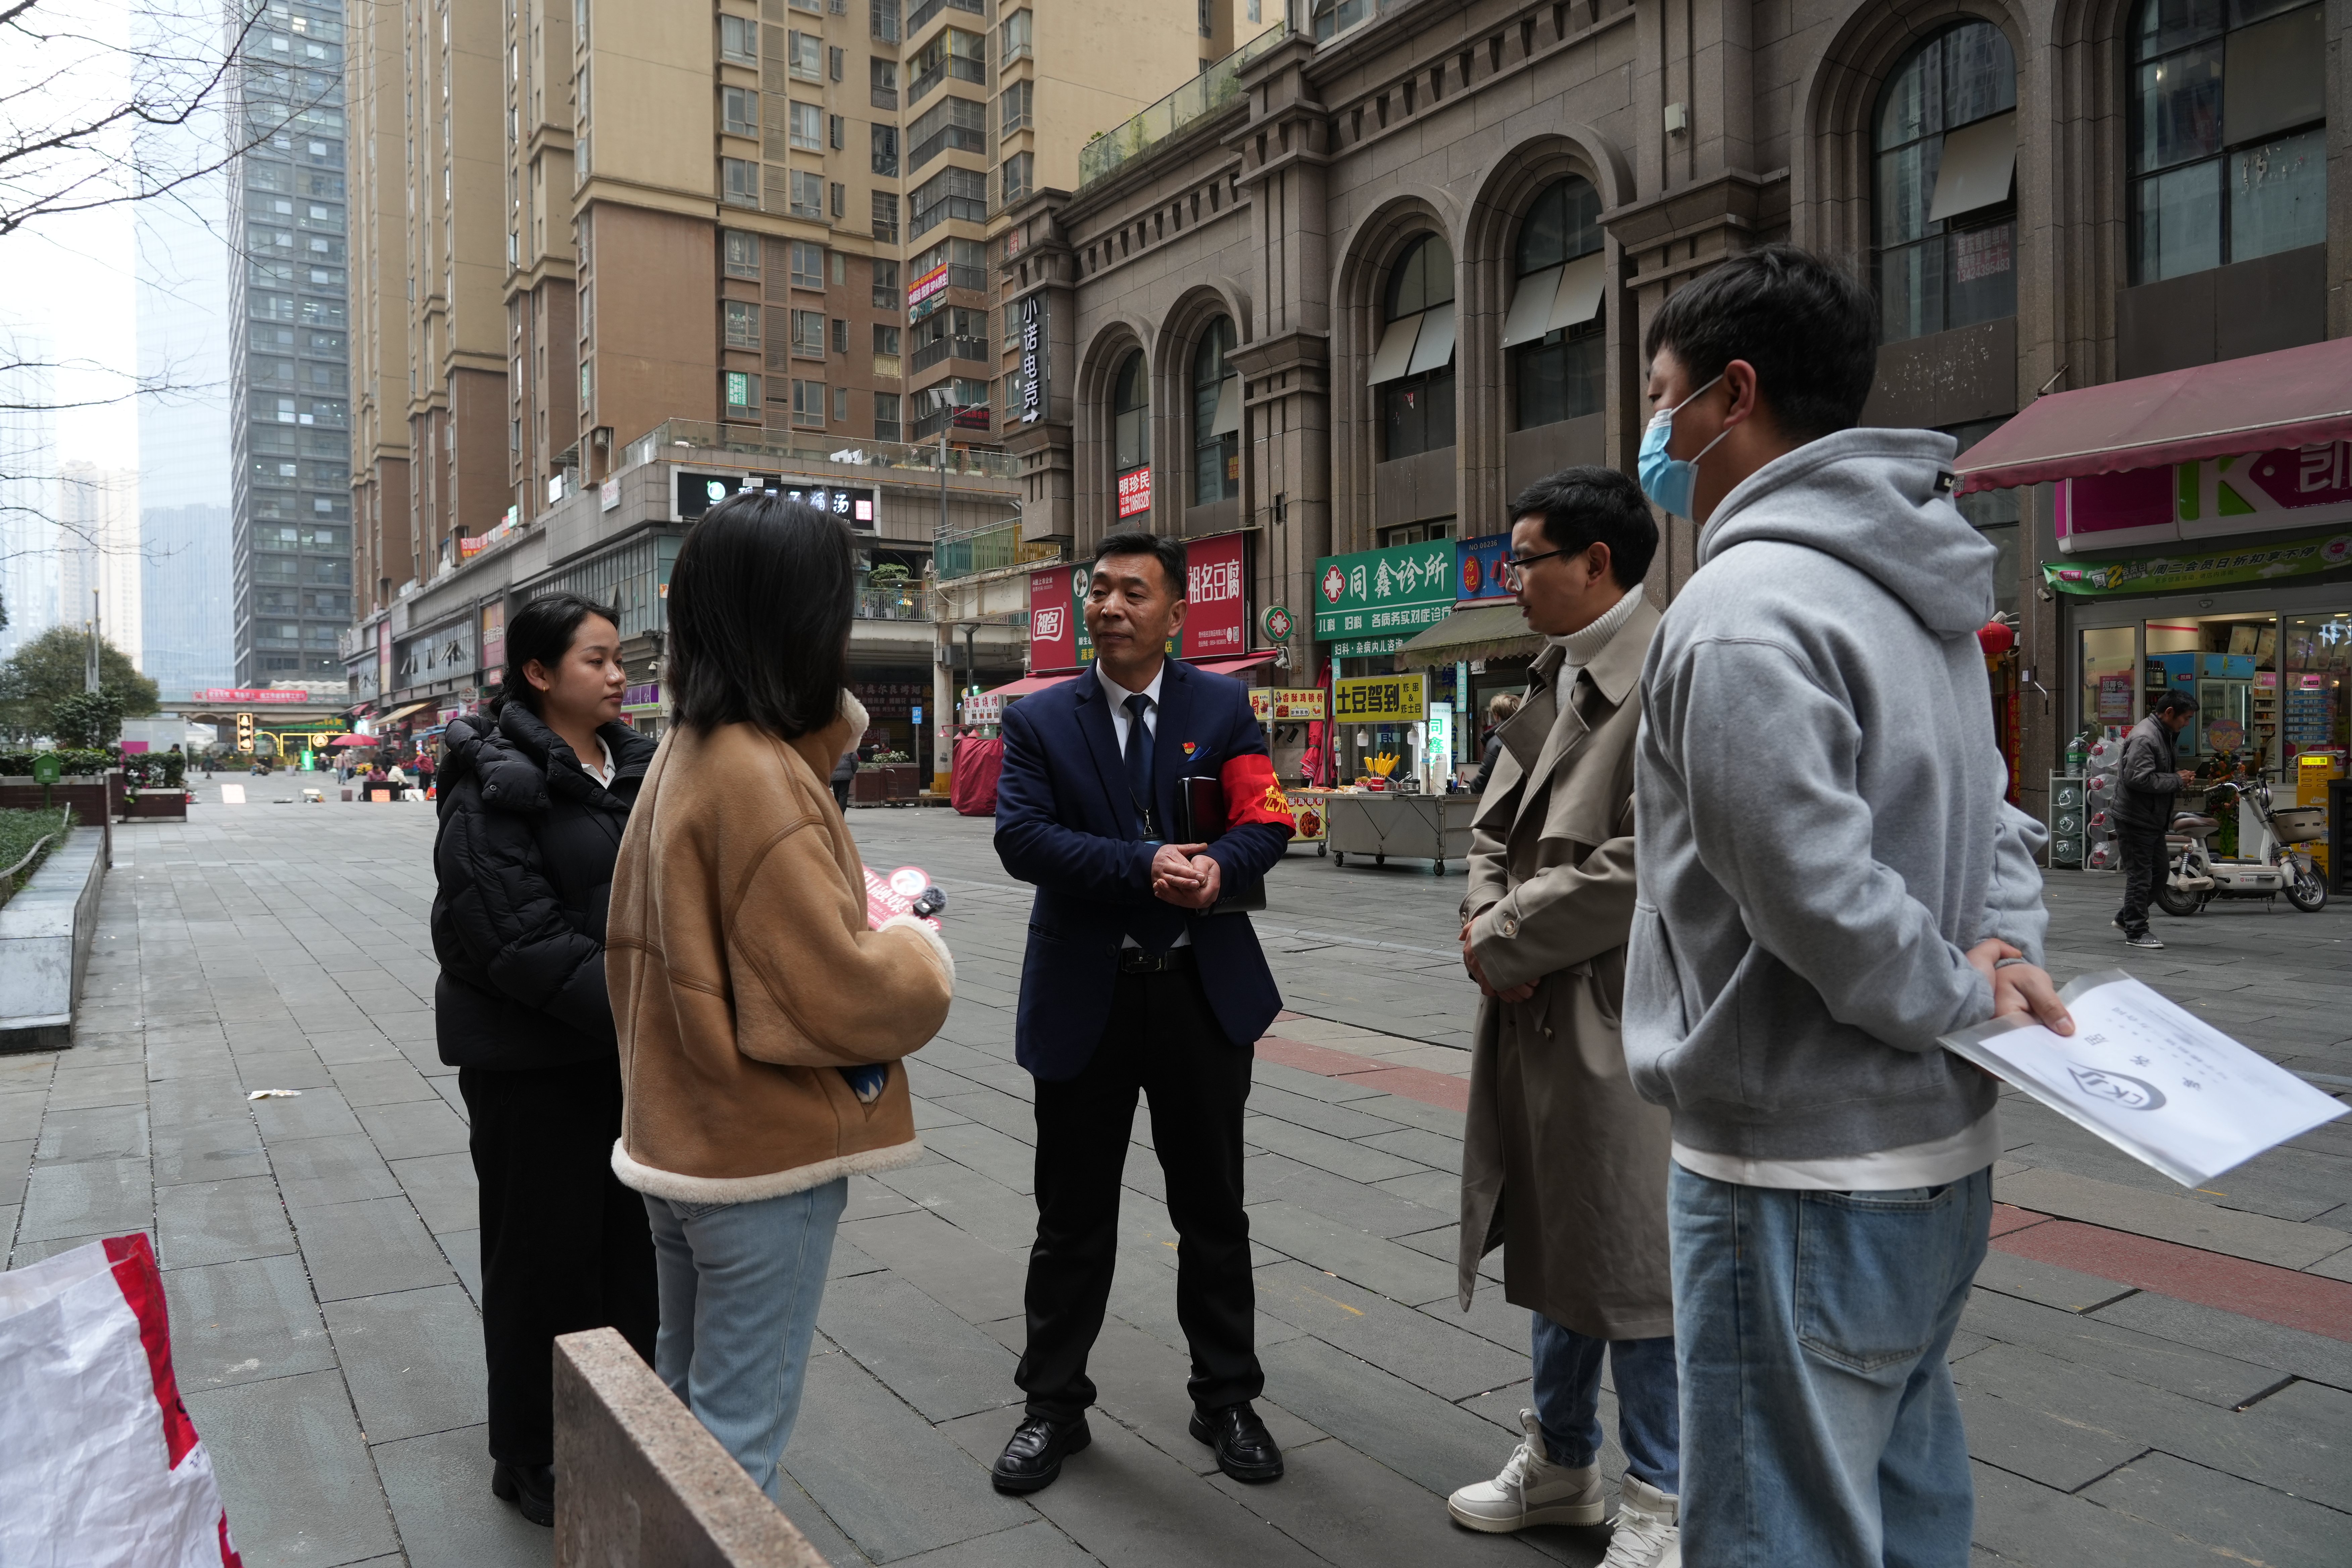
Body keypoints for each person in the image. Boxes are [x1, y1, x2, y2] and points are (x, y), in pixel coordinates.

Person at [1622, 245, 2074, 1568]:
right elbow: (1998, 817)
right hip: (1935, 1150)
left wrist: (1953, 986)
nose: (1653, 435)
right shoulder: (1919, 588)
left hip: (1794, 1169)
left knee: (1778, 1532)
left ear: (1731, 395)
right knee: (1907, 1499)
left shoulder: (1739, 613)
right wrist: (1998, 965)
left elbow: (1812, 896)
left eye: (1659, 398)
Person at [605, 493, 954, 1503]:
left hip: (680, 1137)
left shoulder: (690, 748)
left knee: (682, 1406)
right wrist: (915, 946)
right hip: (759, 1156)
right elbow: (834, 992)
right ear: (801, 620)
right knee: (735, 1443)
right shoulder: (759, 777)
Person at [989, 530, 1296, 1494]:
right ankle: (1052, 1405)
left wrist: (1221, 869)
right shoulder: (1041, 719)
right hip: (1087, 995)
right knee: (1070, 1218)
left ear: (1177, 613)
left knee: (1214, 1211)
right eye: (1099, 591)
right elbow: (1022, 838)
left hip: (1200, 994)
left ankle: (1227, 1398)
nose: (1111, 608)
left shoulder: (1221, 706)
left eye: (1133, 592)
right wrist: (1142, 863)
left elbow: (1266, 817)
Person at [1448, 468, 1679, 1566]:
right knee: (1559, 1235)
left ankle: (1665, 1495)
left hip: (1620, 1012)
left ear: (1596, 562)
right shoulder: (1557, 669)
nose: (1512, 579)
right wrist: (1488, 926)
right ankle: (1561, 1460)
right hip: (1538, 999)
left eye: (1525, 559)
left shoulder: (1670, 673)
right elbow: (1488, 830)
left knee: (1632, 1258)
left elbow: (1652, 859)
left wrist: (1504, 936)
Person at [430, 591, 662, 1527]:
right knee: (541, 1263)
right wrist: (651, 1006)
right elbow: (514, 938)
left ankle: (616, 1429)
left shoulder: (633, 768)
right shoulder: (490, 778)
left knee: (628, 1257)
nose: (617, 676)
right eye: (596, 660)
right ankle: (534, 1455)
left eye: (619, 660)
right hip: (532, 1065)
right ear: (538, 672)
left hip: (621, 1056)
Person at [2113, 691, 2198, 949]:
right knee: (2141, 876)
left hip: (2151, 817)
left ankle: (2127, 917)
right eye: (2186, 718)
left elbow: (2152, 772)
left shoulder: (2163, 733)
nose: (2187, 724)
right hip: (2135, 817)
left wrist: (2176, 777)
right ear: (2169, 712)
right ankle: (2136, 931)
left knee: (2160, 873)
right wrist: (2177, 780)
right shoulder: (2146, 737)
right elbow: (2137, 779)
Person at [1469, 693, 1519, 795]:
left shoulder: (1497, 741)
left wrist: (1473, 785)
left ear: (1497, 716)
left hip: (1507, 798)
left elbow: (1485, 779)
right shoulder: (1531, 734)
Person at [830, 739, 858, 809]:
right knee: (843, 795)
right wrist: (851, 772)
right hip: (846, 776)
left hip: (834, 775)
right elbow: (855, 763)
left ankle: (837, 813)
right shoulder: (851, 749)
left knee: (836, 795)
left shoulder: (832, 749)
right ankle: (841, 814)